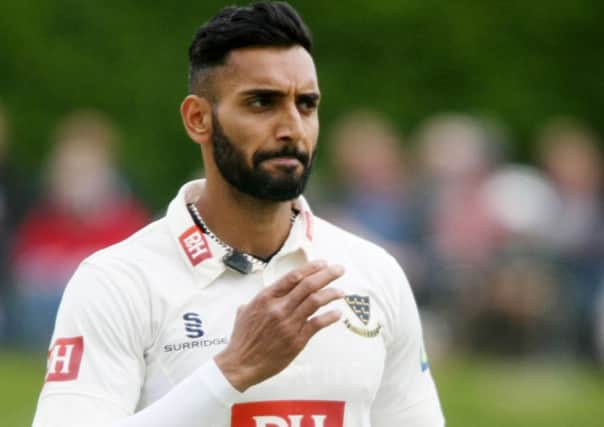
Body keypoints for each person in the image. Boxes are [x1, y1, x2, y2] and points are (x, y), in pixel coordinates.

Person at [32, 3, 444, 426]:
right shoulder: (119, 281)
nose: (291, 128)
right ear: (198, 119)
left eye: (306, 105)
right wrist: (230, 372)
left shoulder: (373, 273)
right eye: (262, 103)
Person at [10, 109, 150, 348]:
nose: (73, 183)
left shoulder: (131, 226)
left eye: (84, 172)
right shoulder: (40, 221)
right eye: (67, 172)